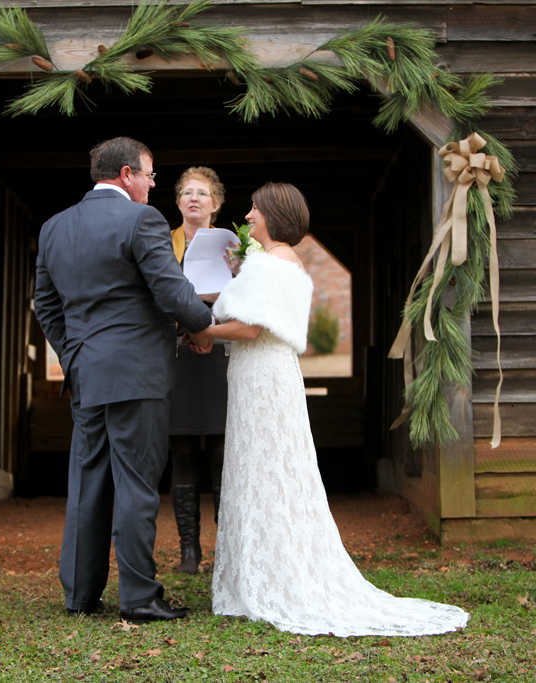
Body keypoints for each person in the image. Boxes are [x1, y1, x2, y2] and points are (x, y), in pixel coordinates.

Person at [187, 183, 469, 637]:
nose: (250, 214)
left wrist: (205, 333)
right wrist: (239, 273)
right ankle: (265, 572)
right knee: (269, 471)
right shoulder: (281, 263)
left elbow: (252, 329)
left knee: (264, 471)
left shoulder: (270, 264)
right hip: (265, 376)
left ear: (273, 215)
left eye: (256, 208)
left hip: (262, 378)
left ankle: (273, 580)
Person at [34, 137, 214, 623]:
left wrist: (73, 356)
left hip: (86, 375)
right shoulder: (142, 220)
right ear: (127, 174)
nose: (155, 184)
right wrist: (203, 326)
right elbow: (171, 290)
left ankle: (80, 595)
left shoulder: (54, 226)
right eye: (151, 175)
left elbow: (46, 306)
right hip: (138, 374)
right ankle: (137, 597)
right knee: (136, 483)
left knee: (87, 481)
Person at [168, 167, 229, 574]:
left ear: (216, 203)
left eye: (202, 194)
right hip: (177, 354)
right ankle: (189, 551)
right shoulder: (159, 242)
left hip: (222, 352)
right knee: (183, 451)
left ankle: (227, 548)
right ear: (177, 202)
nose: (194, 199)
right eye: (187, 193)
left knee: (226, 454)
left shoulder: (235, 245)